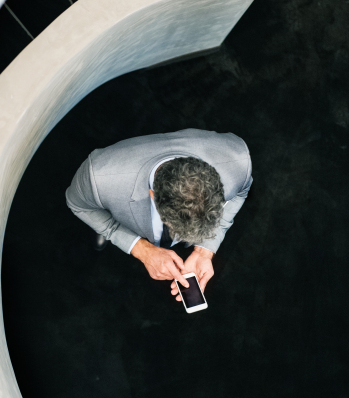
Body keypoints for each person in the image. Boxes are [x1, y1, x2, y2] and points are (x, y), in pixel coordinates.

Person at [65, 129, 252, 302]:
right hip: (115, 191)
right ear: (153, 196)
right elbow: (78, 204)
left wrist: (204, 250)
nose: (187, 240)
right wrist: (139, 248)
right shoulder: (99, 177)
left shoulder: (237, 162)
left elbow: (241, 192)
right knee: (101, 210)